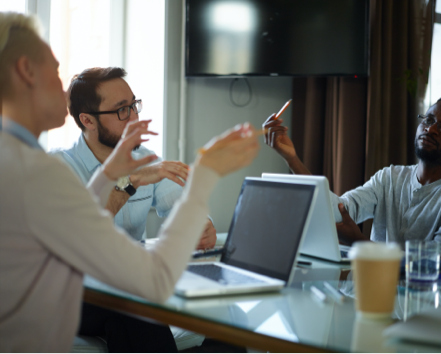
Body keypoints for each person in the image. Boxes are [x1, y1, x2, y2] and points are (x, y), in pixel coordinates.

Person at [0, 11, 259, 352]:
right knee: (145, 311)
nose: (63, 88)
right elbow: (153, 281)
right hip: (79, 304)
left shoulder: (16, 159)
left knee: (223, 336)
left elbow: (78, 226)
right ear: (26, 70)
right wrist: (207, 171)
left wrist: (110, 175)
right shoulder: (41, 169)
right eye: (56, 69)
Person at [263, 91, 441, 263]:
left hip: (436, 306)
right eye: (429, 119)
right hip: (375, 294)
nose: (431, 129)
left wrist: (359, 242)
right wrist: (292, 159)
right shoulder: (389, 177)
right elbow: (339, 211)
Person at [51, 66, 216, 249]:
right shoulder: (57, 167)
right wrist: (131, 181)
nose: (134, 119)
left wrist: (201, 227)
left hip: (134, 274)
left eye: (133, 106)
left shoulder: (146, 159)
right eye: (122, 110)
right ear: (88, 121)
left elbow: (180, 205)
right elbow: (77, 236)